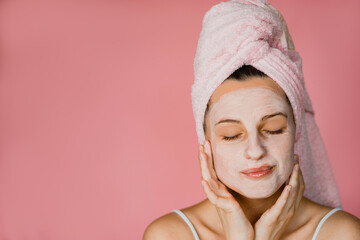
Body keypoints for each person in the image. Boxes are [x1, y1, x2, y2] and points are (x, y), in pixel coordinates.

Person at [143, 1, 360, 239]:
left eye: (274, 129)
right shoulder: (169, 235)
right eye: (232, 135)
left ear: (296, 129)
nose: (255, 151)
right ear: (207, 143)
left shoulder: (342, 233)